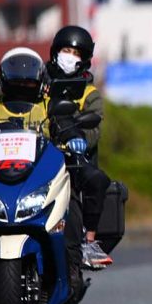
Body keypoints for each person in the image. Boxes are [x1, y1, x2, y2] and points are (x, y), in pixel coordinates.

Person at [0, 47, 87, 299]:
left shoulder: (49, 106)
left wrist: (72, 137)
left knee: (70, 212)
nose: (22, 87)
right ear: (4, 81)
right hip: (3, 179)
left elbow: (65, 124)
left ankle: (71, 269)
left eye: (28, 83)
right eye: (17, 83)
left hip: (38, 176)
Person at [45, 25, 112, 269]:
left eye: (76, 53)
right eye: (66, 50)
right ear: (55, 52)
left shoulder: (89, 93)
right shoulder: (39, 85)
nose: (69, 56)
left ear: (84, 60)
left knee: (96, 179)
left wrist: (80, 140)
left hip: (73, 159)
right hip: (38, 157)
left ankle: (89, 241)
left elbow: (94, 127)